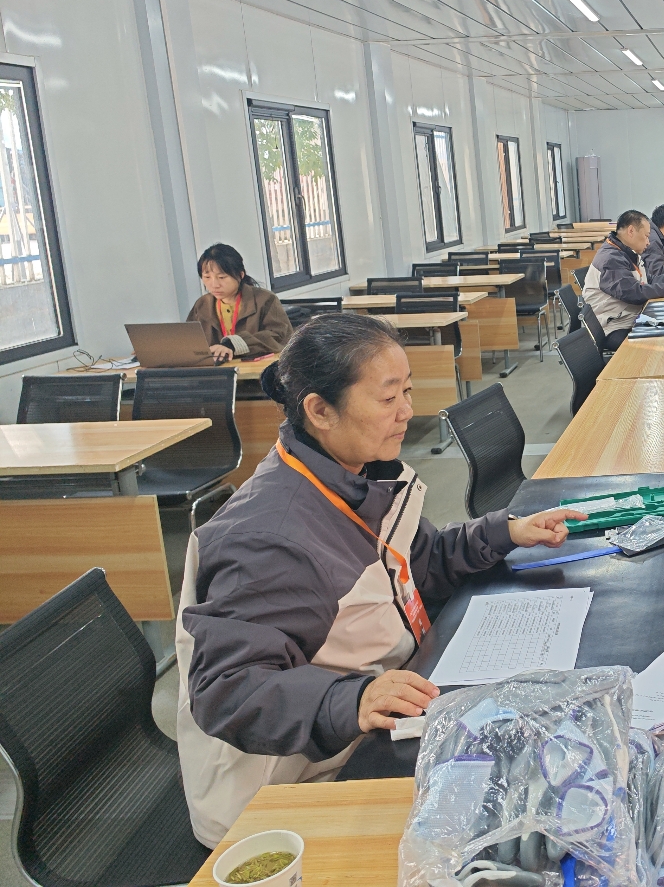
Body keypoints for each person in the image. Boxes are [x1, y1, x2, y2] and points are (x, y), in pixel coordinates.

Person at [175, 313, 586, 846]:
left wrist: (505, 532)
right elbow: (227, 689)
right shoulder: (270, 539)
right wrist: (354, 700)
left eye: (408, 392)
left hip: (367, 720)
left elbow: (416, 562)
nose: (407, 411)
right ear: (319, 410)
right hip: (290, 790)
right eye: (388, 398)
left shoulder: (356, 475)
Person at [583, 209, 664, 351]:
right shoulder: (610, 259)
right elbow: (635, 293)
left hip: (629, 317)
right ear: (631, 231)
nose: (648, 242)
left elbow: (650, 279)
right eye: (646, 236)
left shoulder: (627, 252)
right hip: (612, 328)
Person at [185, 243, 293, 362]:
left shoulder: (265, 299)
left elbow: (279, 336)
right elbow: (188, 340)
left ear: (240, 275)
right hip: (216, 370)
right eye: (207, 277)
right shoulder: (202, 305)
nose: (214, 284)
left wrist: (234, 344)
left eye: (222, 277)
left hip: (255, 370)